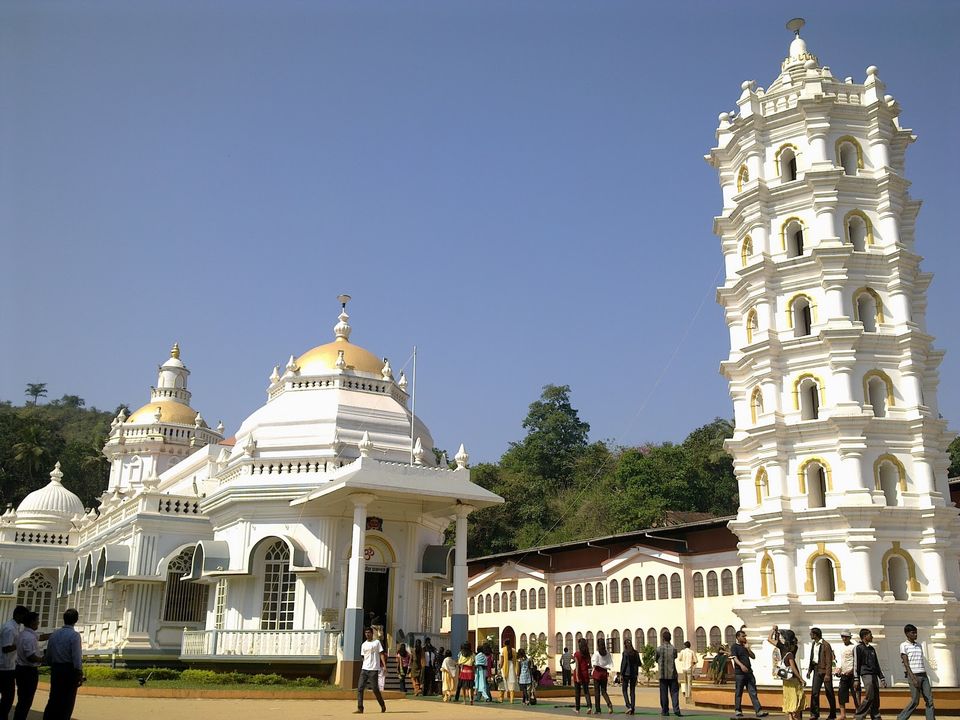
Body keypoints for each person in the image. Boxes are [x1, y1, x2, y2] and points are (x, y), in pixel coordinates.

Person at [42, 608, 83, 720]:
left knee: (54, 698)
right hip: (69, 670)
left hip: (56, 669)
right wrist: (79, 672)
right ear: (76, 620)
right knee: (67, 701)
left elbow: (49, 654)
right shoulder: (74, 636)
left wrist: (52, 664)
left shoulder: (54, 635)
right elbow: (76, 656)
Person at [897, 624, 934, 720]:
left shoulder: (919, 645)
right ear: (907, 634)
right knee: (915, 701)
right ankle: (901, 718)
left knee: (929, 700)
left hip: (923, 675)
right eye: (913, 633)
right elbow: (906, 663)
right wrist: (913, 678)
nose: (915, 634)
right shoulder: (903, 645)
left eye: (916, 632)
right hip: (913, 675)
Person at [730, 629, 769, 718]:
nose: (744, 638)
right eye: (743, 636)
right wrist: (741, 666)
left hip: (749, 673)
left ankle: (758, 711)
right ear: (738, 637)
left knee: (753, 691)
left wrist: (748, 648)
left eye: (745, 636)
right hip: (740, 673)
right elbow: (735, 658)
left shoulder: (745, 647)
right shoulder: (734, 647)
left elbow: (753, 656)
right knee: (739, 692)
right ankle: (738, 710)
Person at [13, 612, 41, 720]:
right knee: (26, 701)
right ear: (32, 622)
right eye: (37, 620)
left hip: (21, 669)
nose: (38, 622)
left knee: (22, 700)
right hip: (28, 671)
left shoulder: (24, 634)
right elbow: (30, 657)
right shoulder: (29, 638)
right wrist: (43, 659)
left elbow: (40, 637)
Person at [1, 605, 27, 720]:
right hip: (4, 668)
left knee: (7, 698)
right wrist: (20, 644)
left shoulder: (16, 627)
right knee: (8, 698)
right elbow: (6, 648)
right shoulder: (10, 628)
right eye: (24, 616)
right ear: (18, 615)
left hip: (9, 666)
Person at [853, 629, 884, 720]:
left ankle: (875, 715)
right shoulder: (858, 648)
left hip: (874, 674)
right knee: (870, 695)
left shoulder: (871, 649)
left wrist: (881, 678)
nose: (872, 637)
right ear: (865, 636)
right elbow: (856, 664)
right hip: (866, 674)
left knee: (876, 695)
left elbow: (876, 664)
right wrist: (856, 678)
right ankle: (859, 715)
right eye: (870, 635)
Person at [807, 628, 837, 720]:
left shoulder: (826, 645)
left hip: (824, 671)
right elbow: (812, 658)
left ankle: (832, 714)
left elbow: (828, 660)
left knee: (829, 693)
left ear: (816, 634)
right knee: (815, 693)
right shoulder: (814, 644)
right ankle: (814, 713)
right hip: (816, 670)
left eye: (811, 633)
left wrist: (828, 674)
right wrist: (809, 670)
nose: (810, 635)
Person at [355, 626, 386, 714]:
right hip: (364, 669)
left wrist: (384, 665)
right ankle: (360, 708)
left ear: (372, 633)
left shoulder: (377, 642)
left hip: (374, 669)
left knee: (375, 689)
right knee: (360, 688)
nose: (367, 634)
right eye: (366, 633)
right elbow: (363, 657)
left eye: (369, 632)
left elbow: (381, 654)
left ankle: (382, 704)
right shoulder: (363, 645)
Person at [777, 629, 805, 720]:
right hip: (793, 681)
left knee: (789, 702)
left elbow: (774, 641)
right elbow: (793, 668)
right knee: (795, 702)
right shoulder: (790, 655)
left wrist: (776, 632)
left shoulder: (784, 653)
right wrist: (801, 679)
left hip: (786, 682)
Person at [656, 629, 682, 717]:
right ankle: (676, 709)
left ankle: (665, 710)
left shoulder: (659, 649)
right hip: (672, 674)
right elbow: (675, 657)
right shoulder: (674, 649)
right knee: (674, 692)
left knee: (663, 693)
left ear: (663, 638)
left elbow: (656, 659)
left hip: (662, 674)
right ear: (670, 638)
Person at [836, 631, 860, 720]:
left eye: (846, 637)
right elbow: (841, 661)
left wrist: (852, 670)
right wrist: (839, 669)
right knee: (841, 694)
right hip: (843, 675)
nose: (844, 638)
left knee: (855, 694)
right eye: (843, 637)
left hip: (853, 675)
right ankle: (843, 714)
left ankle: (858, 713)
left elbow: (856, 661)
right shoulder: (841, 647)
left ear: (850, 637)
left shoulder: (854, 647)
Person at [592, 637, 615, 714]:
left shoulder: (596, 653)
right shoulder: (607, 653)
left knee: (597, 692)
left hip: (597, 673)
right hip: (604, 673)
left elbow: (594, 664)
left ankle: (598, 709)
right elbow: (610, 664)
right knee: (604, 691)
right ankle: (609, 704)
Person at [620, 637, 640, 715]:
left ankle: (628, 705)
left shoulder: (625, 653)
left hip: (626, 674)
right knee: (632, 691)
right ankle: (633, 707)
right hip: (634, 674)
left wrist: (621, 673)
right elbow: (639, 663)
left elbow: (624, 664)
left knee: (624, 690)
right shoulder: (636, 653)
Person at [573, 637, 591, 715]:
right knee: (586, 692)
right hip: (585, 673)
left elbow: (577, 667)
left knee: (577, 692)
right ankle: (589, 707)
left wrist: (577, 676)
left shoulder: (577, 654)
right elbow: (590, 665)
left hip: (579, 674)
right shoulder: (587, 654)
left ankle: (577, 709)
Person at [499, 637, 519, 704]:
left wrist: (500, 667)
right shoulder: (513, 650)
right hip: (512, 667)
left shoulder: (502, 650)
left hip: (504, 667)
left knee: (503, 683)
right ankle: (511, 699)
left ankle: (501, 698)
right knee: (511, 683)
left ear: (504, 643)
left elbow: (502, 660)